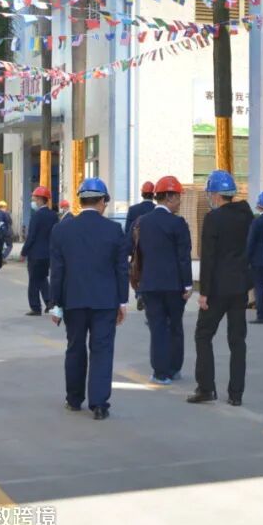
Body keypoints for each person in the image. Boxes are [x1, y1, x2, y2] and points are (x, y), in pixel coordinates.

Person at [48, 178, 129, 420]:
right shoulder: (114, 230)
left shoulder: (62, 229)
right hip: (105, 301)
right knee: (102, 350)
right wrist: (122, 302)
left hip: (73, 300)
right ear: (102, 200)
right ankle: (99, 404)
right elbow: (121, 269)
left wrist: (55, 305)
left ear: (80, 200)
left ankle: (74, 399)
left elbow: (57, 271)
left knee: (75, 348)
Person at [189, 170, 253, 407]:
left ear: (216, 195)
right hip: (239, 287)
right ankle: (236, 393)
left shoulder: (213, 219)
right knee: (237, 341)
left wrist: (204, 292)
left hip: (217, 288)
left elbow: (209, 257)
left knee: (203, 335)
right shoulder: (247, 216)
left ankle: (206, 387)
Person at [136, 176, 193, 385]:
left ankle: (160, 373)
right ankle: (174, 367)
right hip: (174, 286)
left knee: (157, 328)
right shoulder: (178, 223)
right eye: (178, 197)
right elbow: (183, 257)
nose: (180, 201)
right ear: (169, 197)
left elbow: (137, 253)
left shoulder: (142, 222)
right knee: (175, 327)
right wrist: (188, 284)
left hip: (150, 284)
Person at [20, 186, 57, 316]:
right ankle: (49, 303)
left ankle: (35, 307)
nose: (34, 201)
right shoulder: (53, 215)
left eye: (35, 199)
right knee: (42, 279)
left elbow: (31, 236)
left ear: (41, 199)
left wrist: (24, 252)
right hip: (48, 254)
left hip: (36, 254)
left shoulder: (36, 216)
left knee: (34, 282)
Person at [126, 182, 157, 312]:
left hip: (137, 247)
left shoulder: (133, 210)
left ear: (142, 193)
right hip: (154, 248)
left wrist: (129, 250)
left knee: (137, 270)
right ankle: (150, 295)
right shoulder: (157, 209)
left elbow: (128, 231)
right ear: (153, 194)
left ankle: (139, 294)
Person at [246, 191, 263, 324]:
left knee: (259, 287)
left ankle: (261, 315)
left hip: (257, 259)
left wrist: (247, 258)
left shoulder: (256, 222)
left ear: (258, 206)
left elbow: (250, 242)